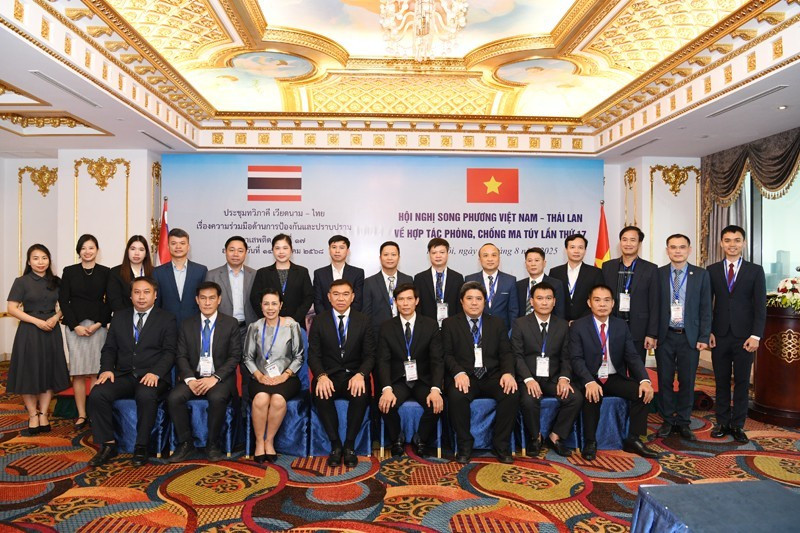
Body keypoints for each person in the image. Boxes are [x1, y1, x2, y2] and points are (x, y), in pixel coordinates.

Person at [87, 276, 177, 467]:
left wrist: (156, 373)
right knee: (98, 393)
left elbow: (170, 352)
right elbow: (110, 348)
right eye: (137, 292)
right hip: (124, 374)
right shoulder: (119, 317)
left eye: (146, 292)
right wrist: (106, 370)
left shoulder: (166, 319)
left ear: (155, 295)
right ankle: (108, 445)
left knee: (145, 395)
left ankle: (141, 446)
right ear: (130, 296)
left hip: (153, 376)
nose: (141, 297)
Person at [570, 284, 657, 460]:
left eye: (606, 300)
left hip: (613, 376)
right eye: (597, 300)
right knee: (591, 395)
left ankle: (633, 438)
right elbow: (576, 359)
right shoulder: (578, 326)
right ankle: (590, 441)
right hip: (590, 377)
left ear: (613, 303)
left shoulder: (620, 326)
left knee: (642, 393)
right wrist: (588, 381)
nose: (602, 304)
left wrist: (645, 380)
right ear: (589, 303)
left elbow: (632, 356)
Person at [442, 281, 519, 464]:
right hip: (465, 377)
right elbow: (446, 354)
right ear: (461, 301)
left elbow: (506, 352)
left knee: (511, 393)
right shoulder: (450, 324)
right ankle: (464, 444)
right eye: (469, 298)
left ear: (485, 302)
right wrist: (457, 372)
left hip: (492, 376)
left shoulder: (497, 323)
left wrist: (508, 373)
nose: (474, 303)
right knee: (456, 395)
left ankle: (501, 444)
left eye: (479, 299)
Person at [167, 282, 243, 463]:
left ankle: (213, 444)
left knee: (217, 398)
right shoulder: (187, 324)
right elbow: (181, 355)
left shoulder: (230, 323)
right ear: (197, 300)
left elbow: (235, 356)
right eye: (203, 298)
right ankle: (186, 443)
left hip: (219, 378)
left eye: (211, 298)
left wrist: (215, 378)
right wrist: (190, 379)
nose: (207, 303)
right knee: (174, 397)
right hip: (194, 376)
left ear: (219, 300)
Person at [707, 225, 766, 443]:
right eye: (728, 240)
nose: (732, 244)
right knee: (721, 381)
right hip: (719, 335)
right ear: (721, 243)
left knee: (742, 382)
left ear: (743, 243)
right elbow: (706, 305)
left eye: (737, 240)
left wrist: (756, 336)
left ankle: (738, 425)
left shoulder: (755, 270)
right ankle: (722, 422)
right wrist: (709, 332)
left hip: (745, 337)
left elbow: (761, 306)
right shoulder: (711, 270)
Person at [308, 279, 375, 468]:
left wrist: (361, 374)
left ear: (353, 297)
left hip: (354, 375)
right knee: (321, 393)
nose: (340, 298)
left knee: (361, 394)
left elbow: (370, 355)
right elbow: (314, 355)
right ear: (329, 297)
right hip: (328, 375)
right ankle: (335, 444)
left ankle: (350, 446)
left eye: (346, 294)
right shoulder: (319, 321)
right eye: (336, 294)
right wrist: (320, 376)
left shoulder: (363, 320)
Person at [6, 244, 71, 436]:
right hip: (29, 331)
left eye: (44, 258)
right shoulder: (21, 281)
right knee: (29, 372)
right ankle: (32, 414)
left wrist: (54, 317)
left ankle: (44, 413)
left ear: (49, 260)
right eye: (36, 258)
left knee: (48, 371)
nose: (40, 262)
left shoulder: (57, 282)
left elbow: (65, 305)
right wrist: (36, 321)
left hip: (51, 330)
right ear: (28, 261)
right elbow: (12, 308)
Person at [512, 282, 582, 457]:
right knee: (528, 400)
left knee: (575, 397)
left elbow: (567, 356)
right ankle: (535, 438)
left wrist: (564, 378)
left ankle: (555, 436)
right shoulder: (520, 324)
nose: (544, 303)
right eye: (540, 298)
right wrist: (528, 379)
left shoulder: (563, 325)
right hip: (529, 377)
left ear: (554, 301)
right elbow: (517, 356)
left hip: (553, 378)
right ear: (532, 301)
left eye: (548, 298)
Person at [376, 283, 444, 457]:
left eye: (409, 299)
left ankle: (420, 438)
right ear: (395, 302)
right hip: (398, 380)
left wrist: (436, 389)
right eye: (401, 299)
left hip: (422, 380)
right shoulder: (386, 327)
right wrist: (387, 389)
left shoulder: (430, 325)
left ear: (417, 301)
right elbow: (383, 361)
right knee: (386, 403)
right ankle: (396, 438)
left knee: (436, 403)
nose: (405, 303)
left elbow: (437, 360)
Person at [655, 234, 712, 441]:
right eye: (673, 247)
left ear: (689, 250)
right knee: (665, 381)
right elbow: (654, 307)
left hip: (690, 336)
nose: (677, 251)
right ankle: (668, 420)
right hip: (665, 336)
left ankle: (684, 422)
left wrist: (704, 336)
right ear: (667, 250)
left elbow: (706, 308)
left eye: (681, 247)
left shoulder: (701, 275)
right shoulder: (659, 274)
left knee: (687, 381)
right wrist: (652, 334)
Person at [243, 289, 305, 463]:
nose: (270, 308)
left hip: (287, 378)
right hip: (260, 377)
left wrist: (284, 376)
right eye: (266, 304)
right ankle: (258, 443)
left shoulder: (291, 325)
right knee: (260, 399)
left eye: (274, 303)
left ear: (281, 305)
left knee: (278, 399)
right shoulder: (254, 327)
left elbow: (299, 356)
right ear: (261, 306)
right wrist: (258, 375)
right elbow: (247, 357)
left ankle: (269, 441)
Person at [59, 234, 111, 430]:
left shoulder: (106, 272)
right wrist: (75, 326)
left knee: (97, 372)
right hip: (76, 328)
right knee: (79, 373)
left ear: (97, 250)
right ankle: (81, 415)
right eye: (83, 248)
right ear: (78, 251)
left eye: (91, 247)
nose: (87, 251)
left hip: (97, 327)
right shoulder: (70, 271)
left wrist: (99, 323)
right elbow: (64, 300)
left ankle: (96, 413)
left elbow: (109, 301)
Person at [601, 226, 659, 363]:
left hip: (638, 329)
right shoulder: (607, 266)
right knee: (614, 371)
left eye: (633, 240)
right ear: (620, 242)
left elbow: (655, 303)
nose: (628, 244)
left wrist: (651, 334)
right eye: (624, 239)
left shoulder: (650, 269)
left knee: (636, 372)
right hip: (612, 326)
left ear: (639, 243)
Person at [249, 233, 313, 329]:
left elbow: (308, 298)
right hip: (269, 325)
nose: (281, 252)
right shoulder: (262, 273)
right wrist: (269, 319)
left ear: (291, 250)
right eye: (277, 248)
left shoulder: (302, 272)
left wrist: (294, 319)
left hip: (296, 324)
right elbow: (255, 299)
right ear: (273, 250)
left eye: (285, 248)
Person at [153, 228, 208, 324]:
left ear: (188, 247)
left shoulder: (201, 270)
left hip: (194, 325)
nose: (178, 247)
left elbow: (204, 300)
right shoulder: (158, 272)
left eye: (182, 243)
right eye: (173, 243)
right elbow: (157, 303)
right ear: (168, 247)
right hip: (166, 325)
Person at [206, 236, 258, 336]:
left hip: (248, 330)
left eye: (240, 250)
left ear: (246, 253)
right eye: (232, 250)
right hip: (221, 329)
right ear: (225, 251)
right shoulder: (212, 275)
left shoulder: (255, 274)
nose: (235, 254)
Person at [363, 241, 413, 340]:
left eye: (393, 255)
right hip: (378, 335)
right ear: (380, 258)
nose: (390, 258)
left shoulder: (408, 280)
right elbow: (366, 314)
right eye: (386, 255)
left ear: (399, 257)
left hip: (404, 334)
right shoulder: (369, 282)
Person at [549, 234, 603, 322]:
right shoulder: (555, 272)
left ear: (585, 250)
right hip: (559, 324)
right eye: (572, 247)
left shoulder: (595, 273)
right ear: (566, 250)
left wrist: (580, 321)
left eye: (580, 247)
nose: (576, 251)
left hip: (586, 323)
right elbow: (550, 298)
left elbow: (598, 300)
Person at [465, 243, 518, 331]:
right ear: (480, 259)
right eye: (485, 255)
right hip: (476, 330)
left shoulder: (510, 280)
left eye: (494, 255)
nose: (490, 259)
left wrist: (511, 333)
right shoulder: (470, 279)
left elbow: (513, 311)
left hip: (502, 331)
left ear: (499, 258)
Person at [414, 238, 464, 327]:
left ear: (448, 254)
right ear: (429, 254)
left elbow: (460, 306)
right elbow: (417, 307)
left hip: (452, 326)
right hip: (426, 327)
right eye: (434, 253)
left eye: (442, 252)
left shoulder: (458, 278)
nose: (438, 256)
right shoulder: (419, 278)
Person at [313, 235, 365, 314]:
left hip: (350, 321)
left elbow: (357, 302)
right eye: (334, 247)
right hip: (325, 321)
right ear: (329, 250)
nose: (337, 251)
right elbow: (318, 302)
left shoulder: (357, 273)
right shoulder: (319, 273)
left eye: (341, 247)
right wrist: (327, 320)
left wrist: (346, 319)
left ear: (347, 251)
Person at [516, 247, 566, 319]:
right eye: (529, 261)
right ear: (525, 264)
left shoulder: (556, 284)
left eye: (537, 260)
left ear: (544, 263)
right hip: (523, 327)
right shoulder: (519, 285)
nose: (533, 264)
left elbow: (559, 312)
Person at [107, 235, 153, 313]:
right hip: (124, 318)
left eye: (141, 250)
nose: (136, 253)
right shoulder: (115, 272)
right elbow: (115, 302)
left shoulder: (155, 272)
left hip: (150, 319)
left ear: (146, 254)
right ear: (127, 251)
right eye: (133, 249)